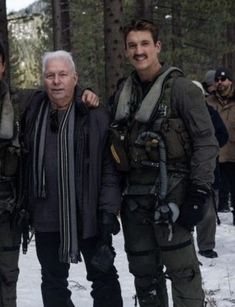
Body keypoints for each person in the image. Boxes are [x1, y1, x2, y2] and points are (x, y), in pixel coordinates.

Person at [108, 19, 218, 307]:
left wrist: (199, 194)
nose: (139, 51)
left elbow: (207, 142)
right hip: (134, 201)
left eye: (145, 44)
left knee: (183, 273)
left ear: (157, 46)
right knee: (144, 275)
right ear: (126, 51)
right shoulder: (122, 93)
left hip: (174, 196)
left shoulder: (182, 90)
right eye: (132, 45)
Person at [21, 50, 123, 307]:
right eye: (50, 75)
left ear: (75, 78)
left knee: (103, 278)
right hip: (46, 217)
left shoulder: (95, 115)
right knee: (53, 281)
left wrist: (108, 211)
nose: (56, 81)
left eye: (62, 74)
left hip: (87, 214)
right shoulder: (33, 112)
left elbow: (109, 169)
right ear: (43, 80)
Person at [192, 81, 228, 258]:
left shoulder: (211, 114)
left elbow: (222, 135)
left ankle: (206, 246)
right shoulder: (178, 115)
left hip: (208, 169)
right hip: (181, 171)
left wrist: (208, 149)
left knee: (207, 211)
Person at [0, 40, 21, 307]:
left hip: (8, 210)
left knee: (7, 277)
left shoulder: (21, 104)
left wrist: (85, 92)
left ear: (3, 66)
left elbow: (59, 95)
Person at [207, 67, 235, 224]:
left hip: (233, 153)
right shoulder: (208, 102)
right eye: (217, 80)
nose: (220, 83)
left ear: (230, 81)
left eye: (223, 80)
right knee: (217, 189)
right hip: (216, 154)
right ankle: (216, 219)